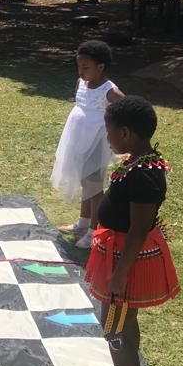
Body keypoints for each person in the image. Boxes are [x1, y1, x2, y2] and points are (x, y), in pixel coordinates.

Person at [83, 96, 179, 366]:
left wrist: (120, 275)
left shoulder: (144, 175)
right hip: (118, 255)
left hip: (125, 261)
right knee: (120, 323)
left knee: (116, 327)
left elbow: (139, 229)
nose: (106, 136)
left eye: (108, 129)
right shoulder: (138, 161)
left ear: (125, 133)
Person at [51, 40, 124, 248]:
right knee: (85, 181)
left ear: (100, 67)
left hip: (96, 143)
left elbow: (126, 109)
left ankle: (94, 230)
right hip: (78, 139)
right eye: (79, 67)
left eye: (85, 67)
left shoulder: (110, 91)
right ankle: (83, 222)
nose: (80, 72)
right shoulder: (82, 83)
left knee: (94, 186)